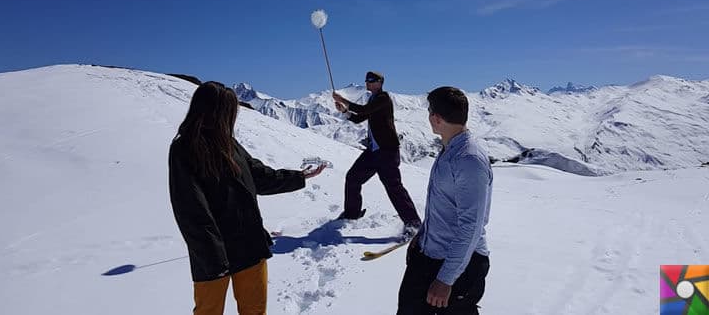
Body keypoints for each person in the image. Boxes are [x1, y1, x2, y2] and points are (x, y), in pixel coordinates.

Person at [169, 81, 325, 315]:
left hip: (250, 244)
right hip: (213, 255)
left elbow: (259, 176)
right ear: (215, 112)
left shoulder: (229, 144)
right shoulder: (184, 149)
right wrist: (214, 258)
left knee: (254, 311)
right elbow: (191, 210)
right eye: (229, 112)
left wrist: (298, 176)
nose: (232, 118)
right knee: (208, 311)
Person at [397, 86, 493, 315]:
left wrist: (446, 279)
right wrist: (422, 237)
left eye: (430, 111)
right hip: (429, 256)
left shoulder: (469, 160)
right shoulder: (450, 149)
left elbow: (471, 226)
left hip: (457, 266)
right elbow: (443, 207)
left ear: (436, 118)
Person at [332, 71, 421, 232]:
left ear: (380, 83)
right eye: (366, 80)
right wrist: (345, 111)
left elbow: (363, 111)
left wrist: (342, 100)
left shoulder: (383, 98)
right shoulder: (373, 99)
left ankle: (414, 225)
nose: (367, 83)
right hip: (373, 152)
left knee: (394, 188)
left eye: (371, 80)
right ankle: (352, 214)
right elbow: (360, 117)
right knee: (353, 178)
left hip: (387, 152)